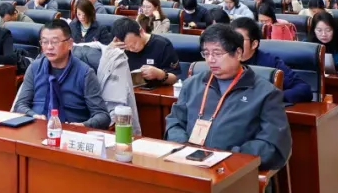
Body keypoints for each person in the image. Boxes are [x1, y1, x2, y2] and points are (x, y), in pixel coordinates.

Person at [165, 24, 291, 171]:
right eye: (206, 53)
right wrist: (184, 146)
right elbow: (174, 122)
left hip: (233, 169)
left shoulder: (266, 93)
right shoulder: (192, 84)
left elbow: (271, 144)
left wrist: (228, 156)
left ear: (238, 53)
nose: (210, 60)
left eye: (217, 53)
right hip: (188, 164)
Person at [12, 19, 111, 129]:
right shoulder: (34, 68)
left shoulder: (85, 73)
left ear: (69, 44)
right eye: (45, 42)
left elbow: (102, 116)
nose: (49, 47)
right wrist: (33, 116)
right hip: (36, 128)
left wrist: (83, 125)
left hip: (71, 132)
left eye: (54, 42)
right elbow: (20, 105)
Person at [231, 17, 313, 104]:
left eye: (239, 40)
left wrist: (273, 96)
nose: (233, 44)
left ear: (254, 44)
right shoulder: (225, 61)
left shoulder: (269, 63)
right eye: (231, 40)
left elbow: (304, 89)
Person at [111, 16, 180, 86]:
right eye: (127, 48)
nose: (131, 50)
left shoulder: (162, 45)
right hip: (128, 90)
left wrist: (160, 74)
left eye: (134, 45)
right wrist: (110, 51)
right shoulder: (119, 48)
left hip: (156, 90)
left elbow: (175, 78)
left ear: (141, 32)